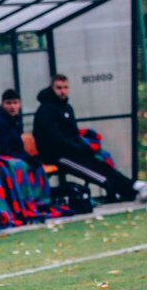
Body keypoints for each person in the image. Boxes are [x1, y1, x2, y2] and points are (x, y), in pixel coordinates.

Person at [34, 74, 147, 202]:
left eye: (65, 87)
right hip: (57, 156)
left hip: (72, 152)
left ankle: (134, 186)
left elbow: (74, 133)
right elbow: (54, 138)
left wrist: (84, 147)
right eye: (59, 88)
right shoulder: (45, 111)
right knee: (97, 174)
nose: (63, 91)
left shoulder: (67, 108)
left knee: (103, 165)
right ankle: (128, 192)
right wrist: (77, 148)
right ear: (52, 88)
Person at [0, 89, 32, 163]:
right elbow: (5, 151)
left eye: (15, 103)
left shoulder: (14, 119)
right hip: (4, 161)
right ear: (2, 104)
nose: (12, 106)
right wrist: (28, 159)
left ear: (20, 104)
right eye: (8, 103)